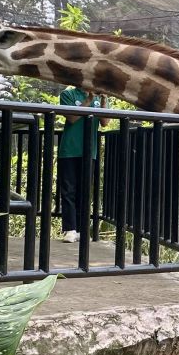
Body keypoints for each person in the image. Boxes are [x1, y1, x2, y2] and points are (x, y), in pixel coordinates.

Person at [57, 86, 105, 243]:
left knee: (84, 191)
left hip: (89, 151)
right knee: (68, 190)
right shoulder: (67, 94)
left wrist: (104, 100)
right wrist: (88, 101)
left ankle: (82, 230)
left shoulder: (100, 98)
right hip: (69, 149)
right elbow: (71, 117)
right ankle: (70, 229)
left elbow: (104, 122)